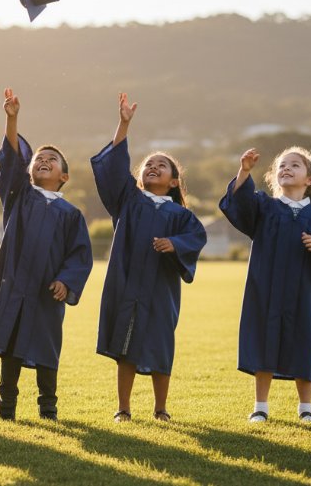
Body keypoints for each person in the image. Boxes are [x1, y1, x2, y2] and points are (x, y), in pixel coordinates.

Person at [91, 92, 207, 423]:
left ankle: (161, 408)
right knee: (124, 347)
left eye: (162, 165)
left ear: (174, 182)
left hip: (160, 288)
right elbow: (112, 169)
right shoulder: (129, 200)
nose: (153, 167)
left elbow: (196, 237)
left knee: (159, 345)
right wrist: (124, 125)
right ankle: (123, 408)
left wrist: (175, 244)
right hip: (127, 282)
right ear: (140, 177)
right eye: (148, 165)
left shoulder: (180, 215)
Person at [0, 88, 93, 421]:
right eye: (38, 159)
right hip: (15, 286)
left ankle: (48, 407)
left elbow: (80, 254)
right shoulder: (19, 197)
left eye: (52, 160)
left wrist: (66, 281)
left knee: (46, 348)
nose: (43, 161)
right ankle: (7, 409)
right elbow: (11, 162)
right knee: (10, 348)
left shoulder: (70, 214)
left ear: (64, 176)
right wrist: (11, 119)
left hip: (47, 291)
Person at [220, 145, 311, 423]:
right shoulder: (265, 207)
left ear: (310, 180)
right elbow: (238, 205)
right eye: (281, 165)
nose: (286, 169)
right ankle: (260, 407)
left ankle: (306, 407)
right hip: (265, 286)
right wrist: (244, 171)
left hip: (305, 291)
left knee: (304, 340)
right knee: (264, 340)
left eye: (294, 165)